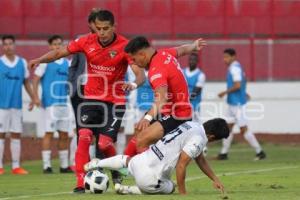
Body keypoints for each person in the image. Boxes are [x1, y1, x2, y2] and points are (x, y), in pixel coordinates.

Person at [28, 10, 145, 193]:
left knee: (104, 144)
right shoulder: (86, 41)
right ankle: (80, 183)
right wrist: (39, 60)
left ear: (114, 27)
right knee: (83, 137)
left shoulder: (125, 45)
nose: (102, 33)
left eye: (106, 29)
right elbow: (59, 53)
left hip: (115, 101)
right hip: (90, 99)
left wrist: (133, 84)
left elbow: (140, 74)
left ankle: (117, 172)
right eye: (98, 29)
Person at [84, 118, 229, 195]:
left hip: (143, 159)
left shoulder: (192, 124)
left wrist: (215, 179)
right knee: (171, 186)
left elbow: (200, 159)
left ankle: (97, 163)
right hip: (149, 179)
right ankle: (127, 189)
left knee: (127, 160)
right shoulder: (200, 138)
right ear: (212, 136)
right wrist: (183, 194)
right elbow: (181, 165)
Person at [124, 36, 206, 153]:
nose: (134, 63)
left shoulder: (156, 70)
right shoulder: (164, 53)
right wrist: (193, 46)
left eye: (134, 59)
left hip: (178, 115)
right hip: (166, 111)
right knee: (139, 130)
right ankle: (125, 167)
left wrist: (147, 118)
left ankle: (147, 169)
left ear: (142, 54)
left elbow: (161, 98)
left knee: (142, 139)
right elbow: (182, 50)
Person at [31, 35, 73, 174]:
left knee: (64, 134)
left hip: (65, 104)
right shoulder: (45, 63)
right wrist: (35, 97)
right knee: (48, 133)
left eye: (60, 44)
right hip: (50, 103)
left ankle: (64, 165)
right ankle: (46, 165)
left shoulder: (68, 63)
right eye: (54, 44)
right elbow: (36, 79)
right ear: (49, 46)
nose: (57, 47)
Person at [217, 48, 266, 160]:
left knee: (243, 129)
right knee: (227, 128)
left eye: (226, 57)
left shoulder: (234, 68)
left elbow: (238, 85)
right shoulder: (237, 67)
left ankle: (260, 152)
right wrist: (245, 92)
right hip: (232, 103)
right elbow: (243, 82)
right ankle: (224, 153)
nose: (224, 59)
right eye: (224, 57)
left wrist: (224, 92)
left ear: (233, 57)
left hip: (237, 104)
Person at [0, 35, 34, 175]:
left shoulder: (22, 63)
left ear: (14, 45)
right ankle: (0, 166)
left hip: (17, 106)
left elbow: (26, 82)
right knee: (1, 135)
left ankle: (16, 166)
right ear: (3, 46)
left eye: (10, 44)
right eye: (5, 44)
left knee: (16, 134)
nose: (8, 46)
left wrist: (33, 97)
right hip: (1, 106)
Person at [183, 52, 206, 121]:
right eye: (190, 59)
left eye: (194, 60)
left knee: (195, 125)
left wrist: (184, 101)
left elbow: (196, 91)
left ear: (197, 61)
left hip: (194, 105)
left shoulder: (201, 75)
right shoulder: (182, 72)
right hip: (182, 104)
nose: (192, 61)